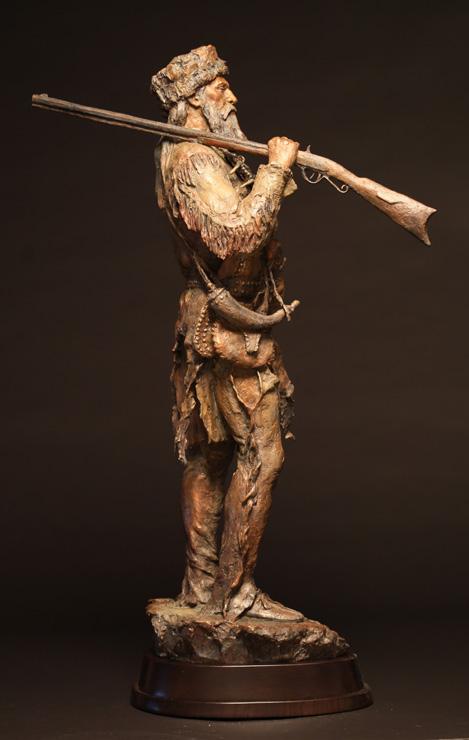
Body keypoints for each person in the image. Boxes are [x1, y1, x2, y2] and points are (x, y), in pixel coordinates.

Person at [151, 45, 303, 621]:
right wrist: (276, 170)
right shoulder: (192, 160)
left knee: (211, 456)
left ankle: (201, 590)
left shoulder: (197, 152)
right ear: (194, 99)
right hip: (228, 329)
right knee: (260, 453)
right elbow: (238, 235)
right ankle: (234, 592)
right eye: (220, 87)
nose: (232, 96)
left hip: (217, 321)